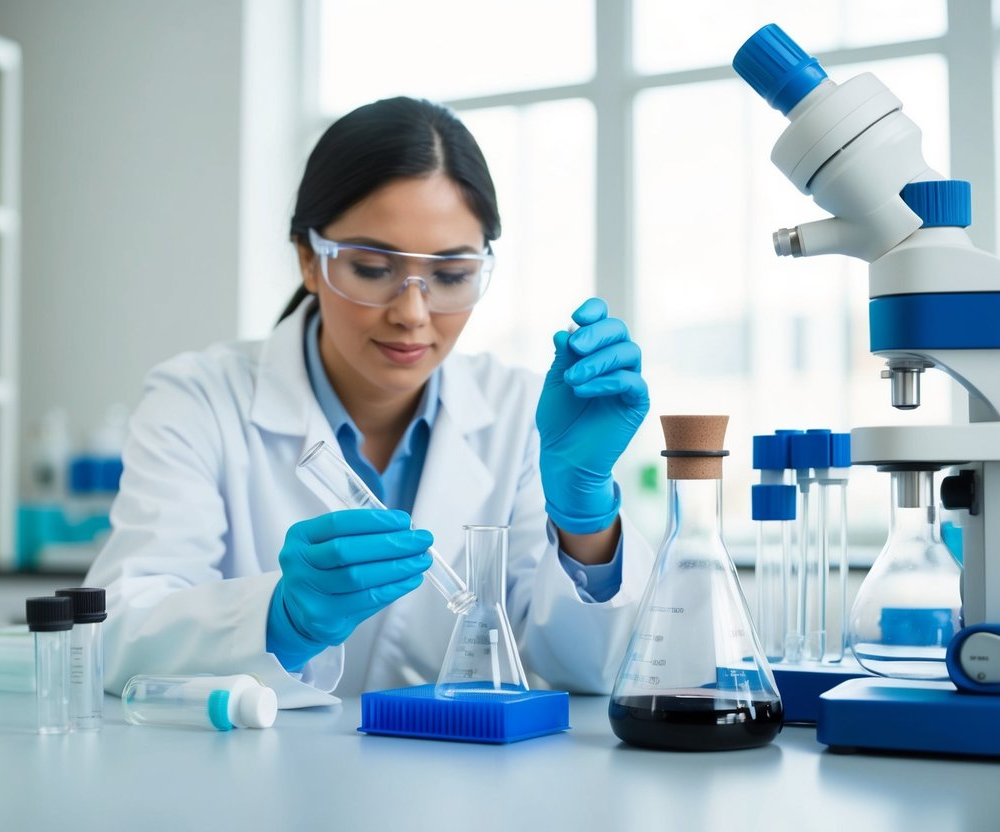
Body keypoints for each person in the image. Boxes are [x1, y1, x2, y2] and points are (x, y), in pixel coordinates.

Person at [86, 97, 653, 708]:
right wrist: (281, 620)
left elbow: (589, 670)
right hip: (251, 784)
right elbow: (119, 636)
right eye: (373, 268)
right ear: (309, 259)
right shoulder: (198, 399)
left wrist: (585, 521)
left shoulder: (517, 411)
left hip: (456, 791)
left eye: (452, 275)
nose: (412, 313)